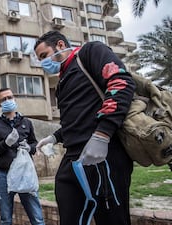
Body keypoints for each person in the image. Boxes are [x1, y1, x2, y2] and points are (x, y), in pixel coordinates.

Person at [34, 30, 135, 225]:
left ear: (60, 45)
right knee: (69, 214)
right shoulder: (62, 81)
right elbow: (77, 118)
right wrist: (54, 137)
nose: (43, 63)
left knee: (112, 218)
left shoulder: (90, 52)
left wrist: (103, 134)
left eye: (44, 56)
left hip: (102, 154)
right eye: (40, 59)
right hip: (73, 156)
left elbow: (121, 83)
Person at [0, 88, 45, 225]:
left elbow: (34, 143)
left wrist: (30, 148)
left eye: (10, 97)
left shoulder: (26, 123)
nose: (8, 101)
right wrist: (6, 143)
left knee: (36, 216)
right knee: (5, 218)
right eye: (3, 99)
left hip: (25, 173)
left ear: (14, 98)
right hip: (4, 174)